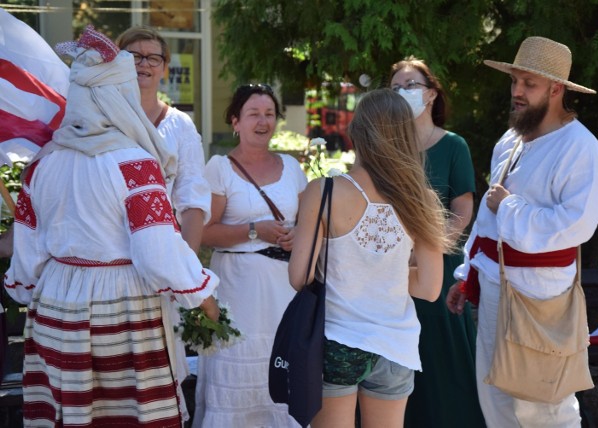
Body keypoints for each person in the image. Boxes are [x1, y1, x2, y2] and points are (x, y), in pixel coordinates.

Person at [3, 26, 220, 427]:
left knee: (68, 412)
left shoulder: (44, 164)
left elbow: (28, 256)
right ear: (118, 99)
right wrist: (202, 295)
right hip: (120, 308)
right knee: (124, 415)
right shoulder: (134, 165)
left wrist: (38, 289)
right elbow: (157, 252)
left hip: (55, 306)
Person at [446, 36, 598, 427]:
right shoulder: (510, 140)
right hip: (495, 285)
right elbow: (487, 223)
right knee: (495, 397)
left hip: (541, 296)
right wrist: (469, 274)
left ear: (557, 89)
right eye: (515, 81)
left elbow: (576, 226)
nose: (517, 92)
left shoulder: (582, 149)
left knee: (546, 404)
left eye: (528, 84)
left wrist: (511, 206)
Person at [289, 88, 451, 428]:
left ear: (356, 133)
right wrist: (386, 273)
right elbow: (429, 288)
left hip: (336, 340)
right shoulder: (422, 199)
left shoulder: (324, 191)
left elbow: (299, 277)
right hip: (395, 345)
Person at [192, 83, 308, 427]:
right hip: (238, 290)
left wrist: (297, 234)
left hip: (283, 288)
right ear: (235, 122)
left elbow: (308, 224)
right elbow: (203, 232)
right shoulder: (220, 168)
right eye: (253, 114)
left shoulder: (292, 167)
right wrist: (255, 230)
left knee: (279, 368)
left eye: (269, 114)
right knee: (239, 367)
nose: (263, 121)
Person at [390, 57, 485, 427]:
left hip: (440, 268)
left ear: (431, 94)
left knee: (444, 363)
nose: (402, 93)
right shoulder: (387, 148)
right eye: (395, 88)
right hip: (393, 271)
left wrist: (429, 250)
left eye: (410, 85)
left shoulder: (453, 145)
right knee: (400, 367)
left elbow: (463, 207)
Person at [115, 26, 210, 253]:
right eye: (134, 56)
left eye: (153, 58)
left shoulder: (180, 125)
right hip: (105, 251)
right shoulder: (101, 118)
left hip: (157, 251)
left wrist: (185, 269)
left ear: (165, 68)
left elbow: (192, 200)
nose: (144, 63)